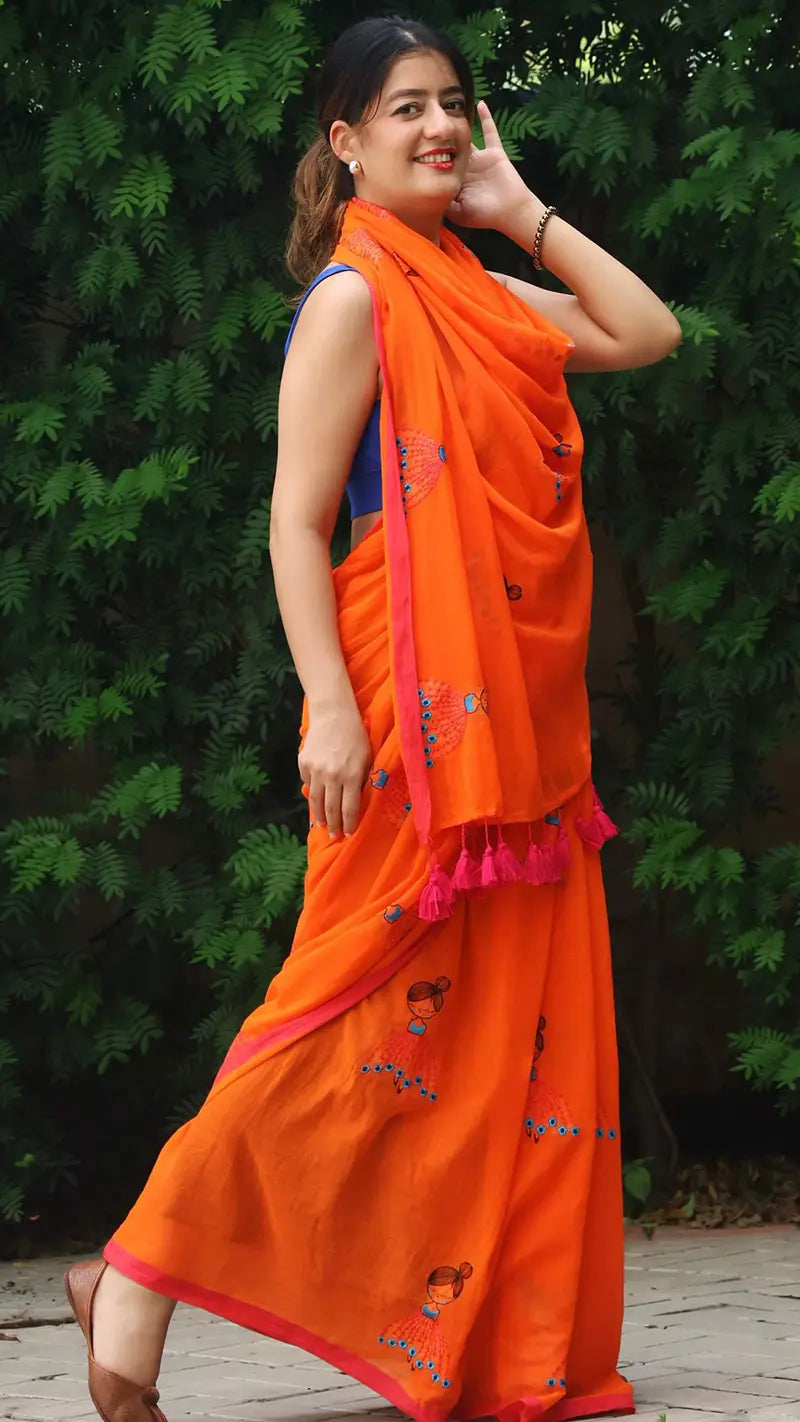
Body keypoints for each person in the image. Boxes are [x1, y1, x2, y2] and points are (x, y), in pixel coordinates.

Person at [64, 15, 681, 1422]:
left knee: (480, 1032)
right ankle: (142, 1273)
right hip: (399, 717)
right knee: (334, 1004)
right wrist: (324, 714)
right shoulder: (355, 301)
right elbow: (293, 522)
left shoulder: (472, 290)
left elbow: (644, 331)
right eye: (404, 109)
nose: (439, 129)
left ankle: (436, 1312)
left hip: (515, 730)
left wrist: (522, 212)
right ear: (342, 142)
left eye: (454, 106)